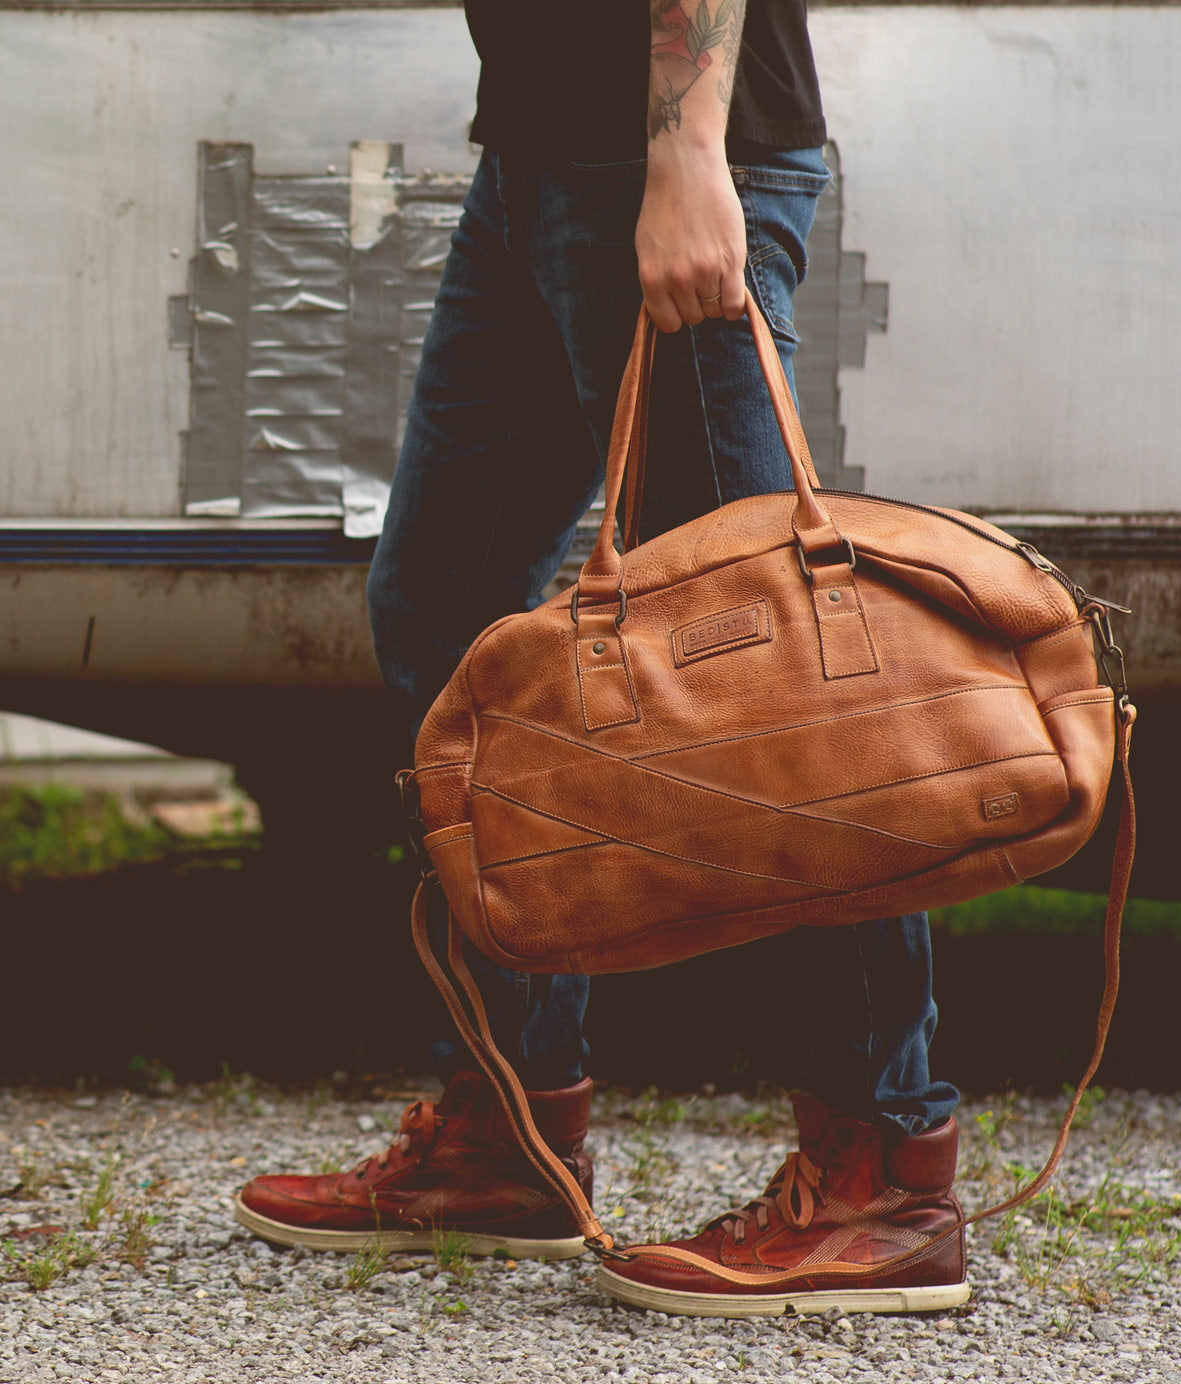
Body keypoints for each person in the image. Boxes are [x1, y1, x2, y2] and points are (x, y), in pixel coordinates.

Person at [236, 0, 967, 1316]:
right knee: (446, 612)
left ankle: (883, 1173)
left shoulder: (680, 148)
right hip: (536, 158)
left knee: (775, 677)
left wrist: (687, 149)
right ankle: (510, 1129)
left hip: (657, 157)